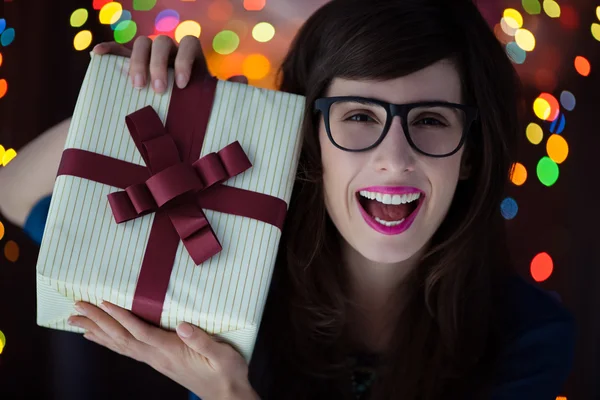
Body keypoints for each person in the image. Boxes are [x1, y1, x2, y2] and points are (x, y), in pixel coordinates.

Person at [0, 0, 575, 399]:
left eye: (430, 119)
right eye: (357, 117)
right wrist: (137, 101)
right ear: (308, 140)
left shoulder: (529, 336)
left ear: (470, 153)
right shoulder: (226, 262)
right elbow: (13, 189)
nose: (396, 158)